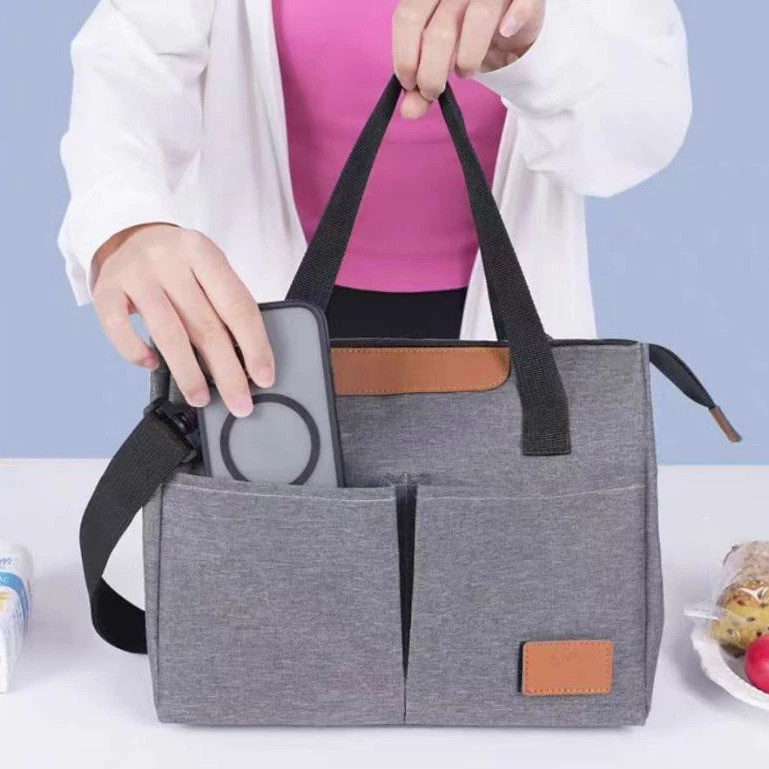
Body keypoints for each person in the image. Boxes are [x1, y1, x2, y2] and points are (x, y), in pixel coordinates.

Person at [58, 0, 691, 418]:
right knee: (264, 557)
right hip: (261, 322)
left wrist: (536, 48)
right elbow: (128, 62)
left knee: (511, 563)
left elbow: (646, 124)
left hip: (502, 328)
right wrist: (126, 222)